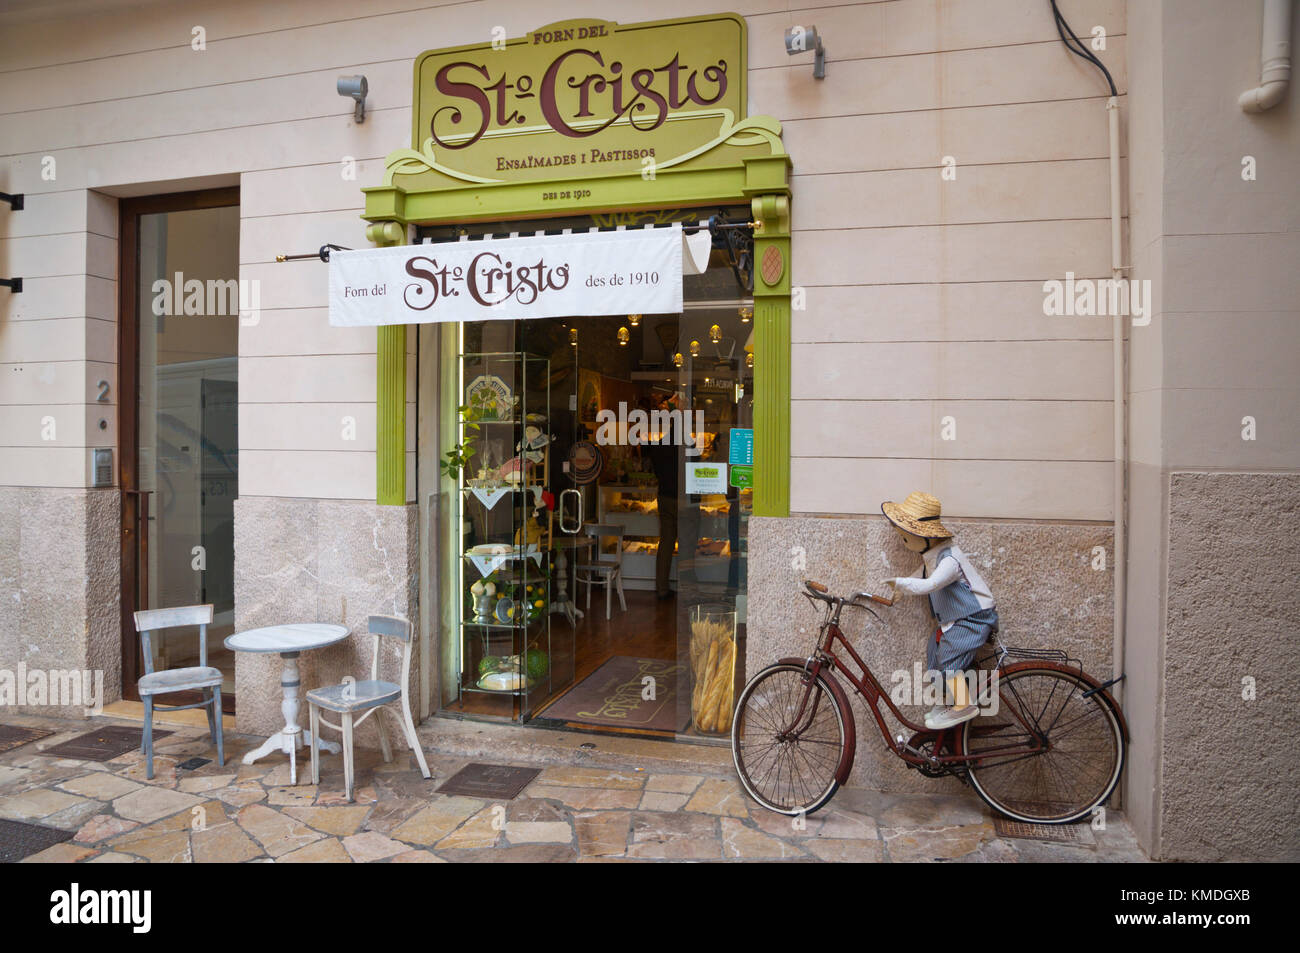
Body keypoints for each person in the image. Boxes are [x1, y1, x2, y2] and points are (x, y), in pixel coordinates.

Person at [880, 491, 998, 729]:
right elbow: (923, 575)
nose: (905, 540)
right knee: (934, 653)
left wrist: (901, 583)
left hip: (974, 618)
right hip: (954, 620)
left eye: (907, 536)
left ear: (926, 535)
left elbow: (931, 584)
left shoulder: (950, 560)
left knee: (950, 657)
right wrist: (900, 591)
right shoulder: (932, 558)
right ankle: (949, 700)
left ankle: (964, 705)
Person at [645, 393, 680, 601]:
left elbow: (654, 469)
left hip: (664, 496)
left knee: (666, 542)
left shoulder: (659, 445)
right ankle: (688, 586)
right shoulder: (686, 445)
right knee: (687, 542)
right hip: (683, 498)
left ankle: (662, 588)